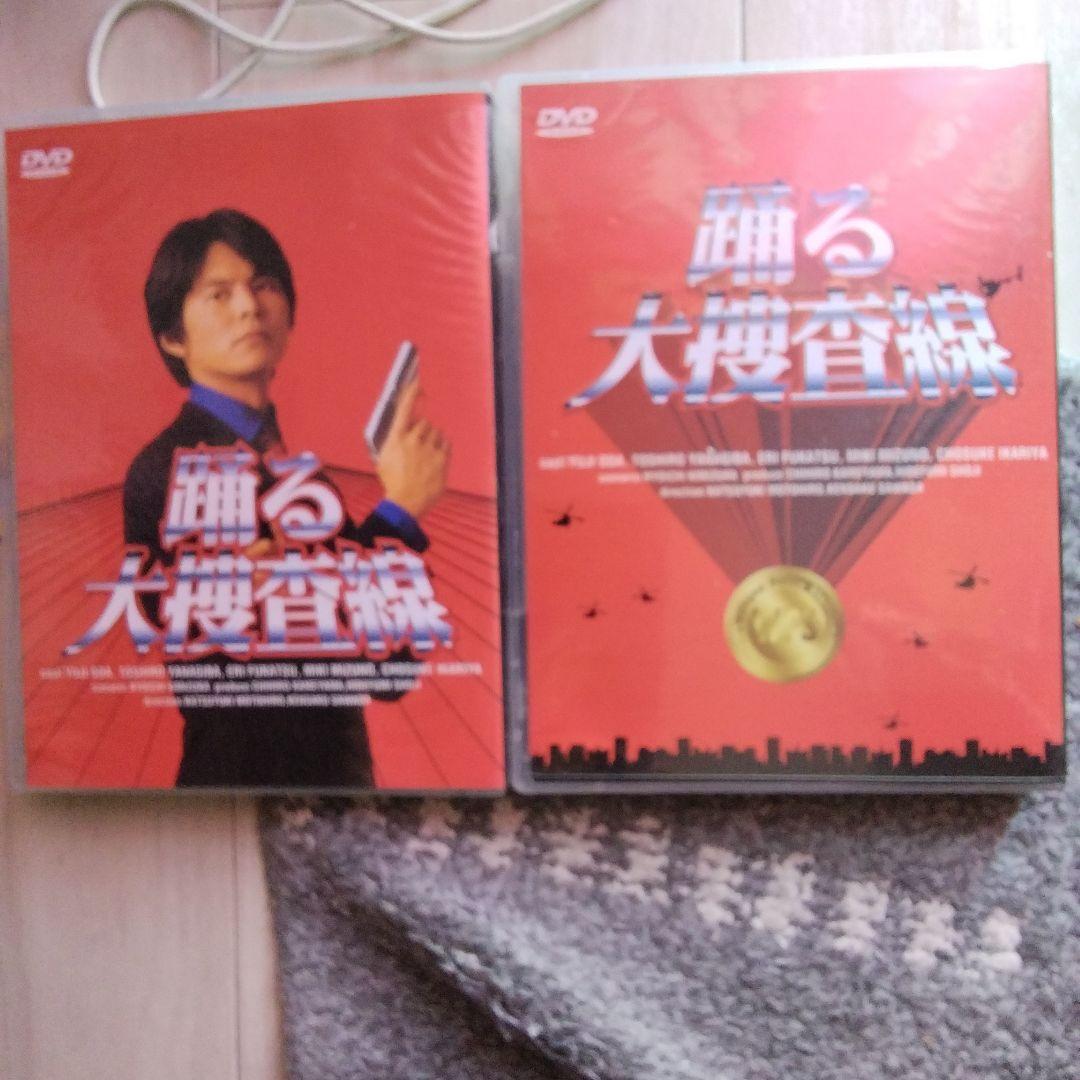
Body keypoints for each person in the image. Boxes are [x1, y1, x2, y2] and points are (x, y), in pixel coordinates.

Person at [124, 208, 449, 787]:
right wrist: (399, 510)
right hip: (245, 791)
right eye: (218, 294)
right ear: (172, 337)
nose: (249, 307)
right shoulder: (175, 470)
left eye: (264, 285)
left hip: (326, 792)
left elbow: (390, 666)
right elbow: (341, 663)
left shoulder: (299, 477)